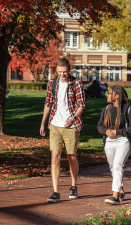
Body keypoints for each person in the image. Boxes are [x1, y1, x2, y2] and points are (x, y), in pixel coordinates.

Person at [40, 58, 86, 203]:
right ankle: (55, 191)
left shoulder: (77, 83)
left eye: (65, 72)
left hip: (71, 125)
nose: (63, 75)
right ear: (57, 71)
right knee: (55, 156)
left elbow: (81, 105)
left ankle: (73, 186)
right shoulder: (52, 83)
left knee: (71, 156)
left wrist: (73, 118)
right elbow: (48, 103)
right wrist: (42, 123)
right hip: (54, 124)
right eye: (60, 72)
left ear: (69, 70)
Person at [97, 85, 131, 205]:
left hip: (123, 140)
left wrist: (118, 132)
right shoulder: (106, 109)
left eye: (110, 94)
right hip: (109, 141)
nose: (108, 96)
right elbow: (99, 126)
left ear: (117, 96)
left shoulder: (128, 109)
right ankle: (121, 190)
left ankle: (114, 196)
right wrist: (106, 131)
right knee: (113, 167)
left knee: (117, 165)